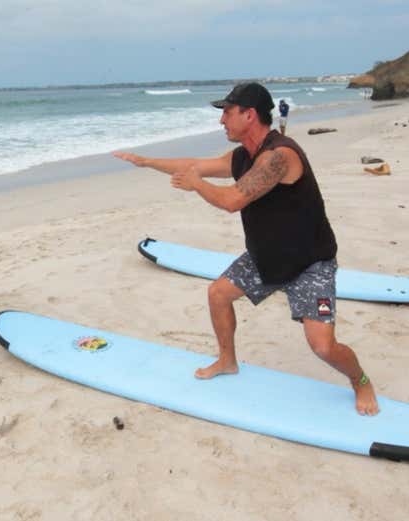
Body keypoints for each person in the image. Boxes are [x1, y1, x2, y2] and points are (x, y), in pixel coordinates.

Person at [114, 83, 379, 415]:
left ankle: (361, 380)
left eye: (227, 112)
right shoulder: (242, 156)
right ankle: (227, 360)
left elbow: (232, 200)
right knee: (218, 295)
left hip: (309, 263)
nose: (222, 120)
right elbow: (195, 164)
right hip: (267, 256)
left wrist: (196, 186)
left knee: (323, 347)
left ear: (249, 115)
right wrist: (146, 161)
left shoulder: (281, 156)